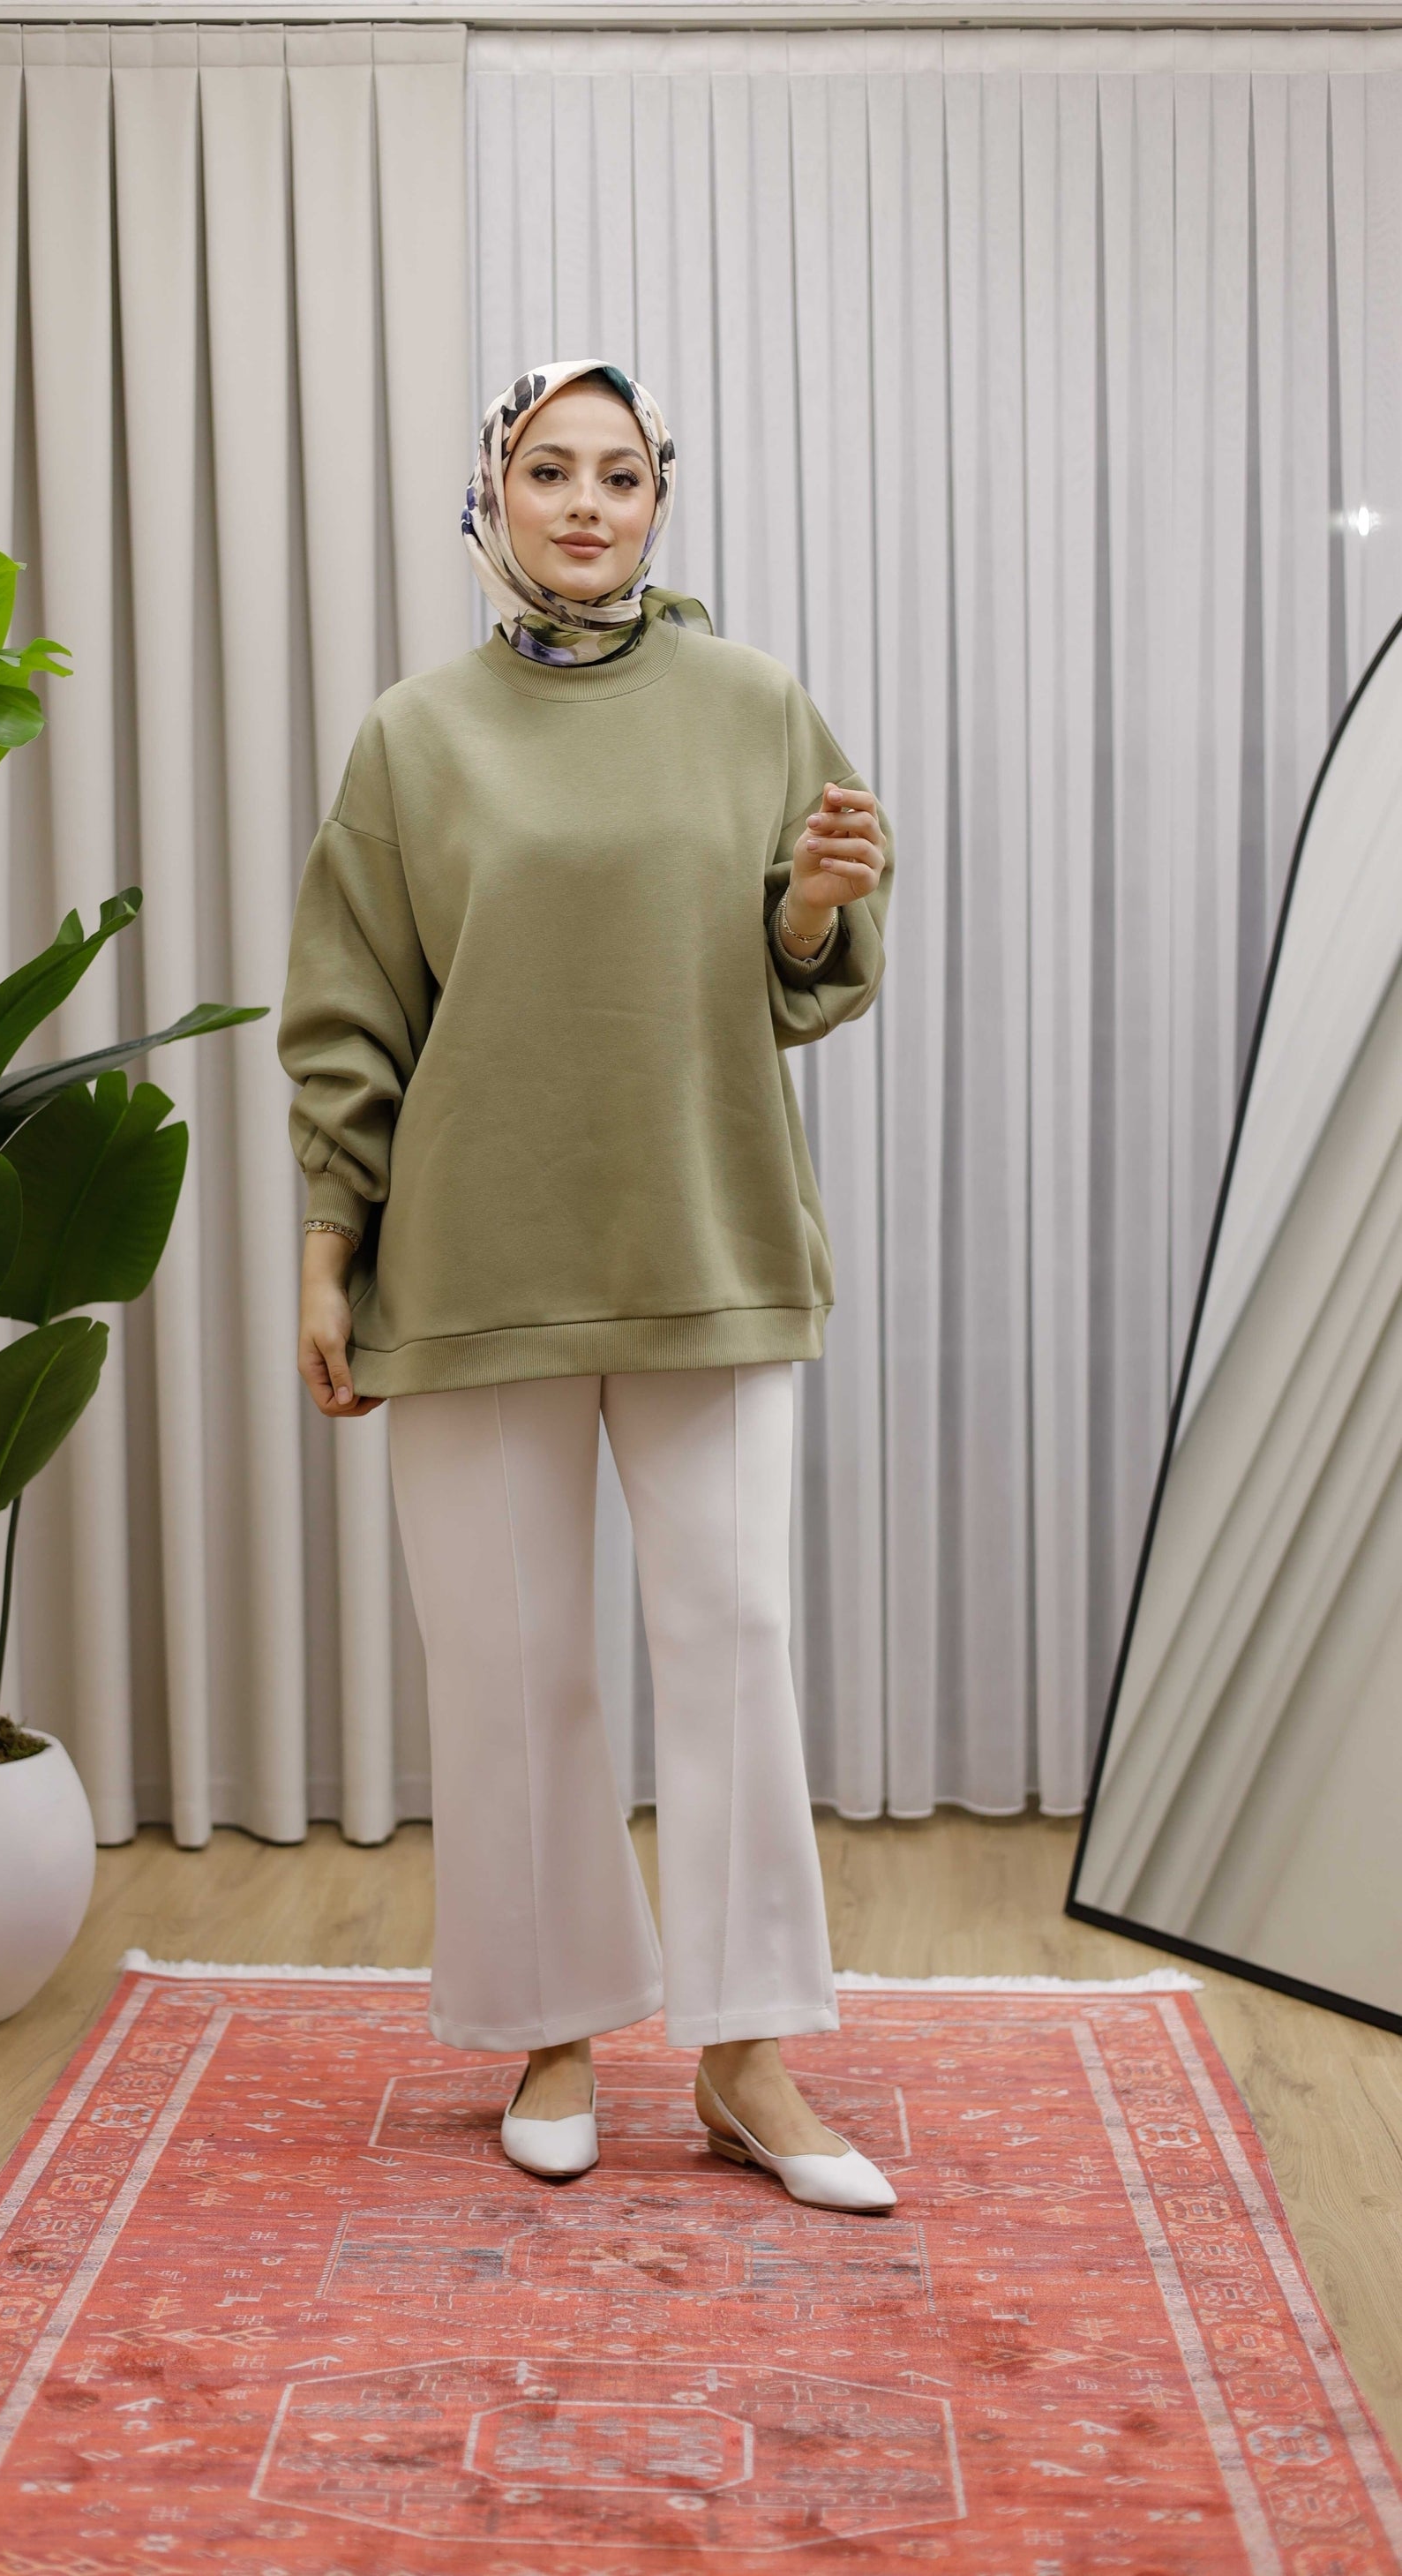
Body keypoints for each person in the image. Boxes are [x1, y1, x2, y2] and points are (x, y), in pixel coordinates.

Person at [276, 359, 897, 2212]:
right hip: (472, 1261)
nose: (585, 503)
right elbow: (351, 1012)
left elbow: (799, 970)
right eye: (549, 468)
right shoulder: (414, 737)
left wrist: (810, 909)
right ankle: (552, 2025)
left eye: (620, 474)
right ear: (495, 492)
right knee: (510, 1659)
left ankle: (745, 2052)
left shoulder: (751, 703)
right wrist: (327, 1249)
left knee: (734, 1639)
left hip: (708, 1236)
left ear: (658, 499)